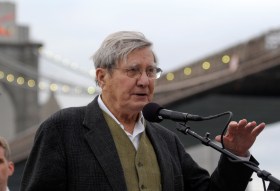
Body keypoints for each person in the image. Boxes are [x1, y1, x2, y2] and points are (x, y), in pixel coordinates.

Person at [20, 31, 265, 191]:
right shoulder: (63, 128)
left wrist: (236, 155)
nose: (144, 81)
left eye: (151, 71)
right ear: (102, 77)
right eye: (133, 71)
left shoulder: (166, 140)